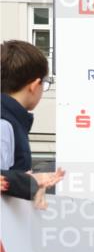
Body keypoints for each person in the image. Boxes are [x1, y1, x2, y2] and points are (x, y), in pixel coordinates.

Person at [1, 39, 50, 172]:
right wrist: (30, 182)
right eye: (45, 83)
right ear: (34, 86)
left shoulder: (10, 119)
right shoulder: (5, 123)